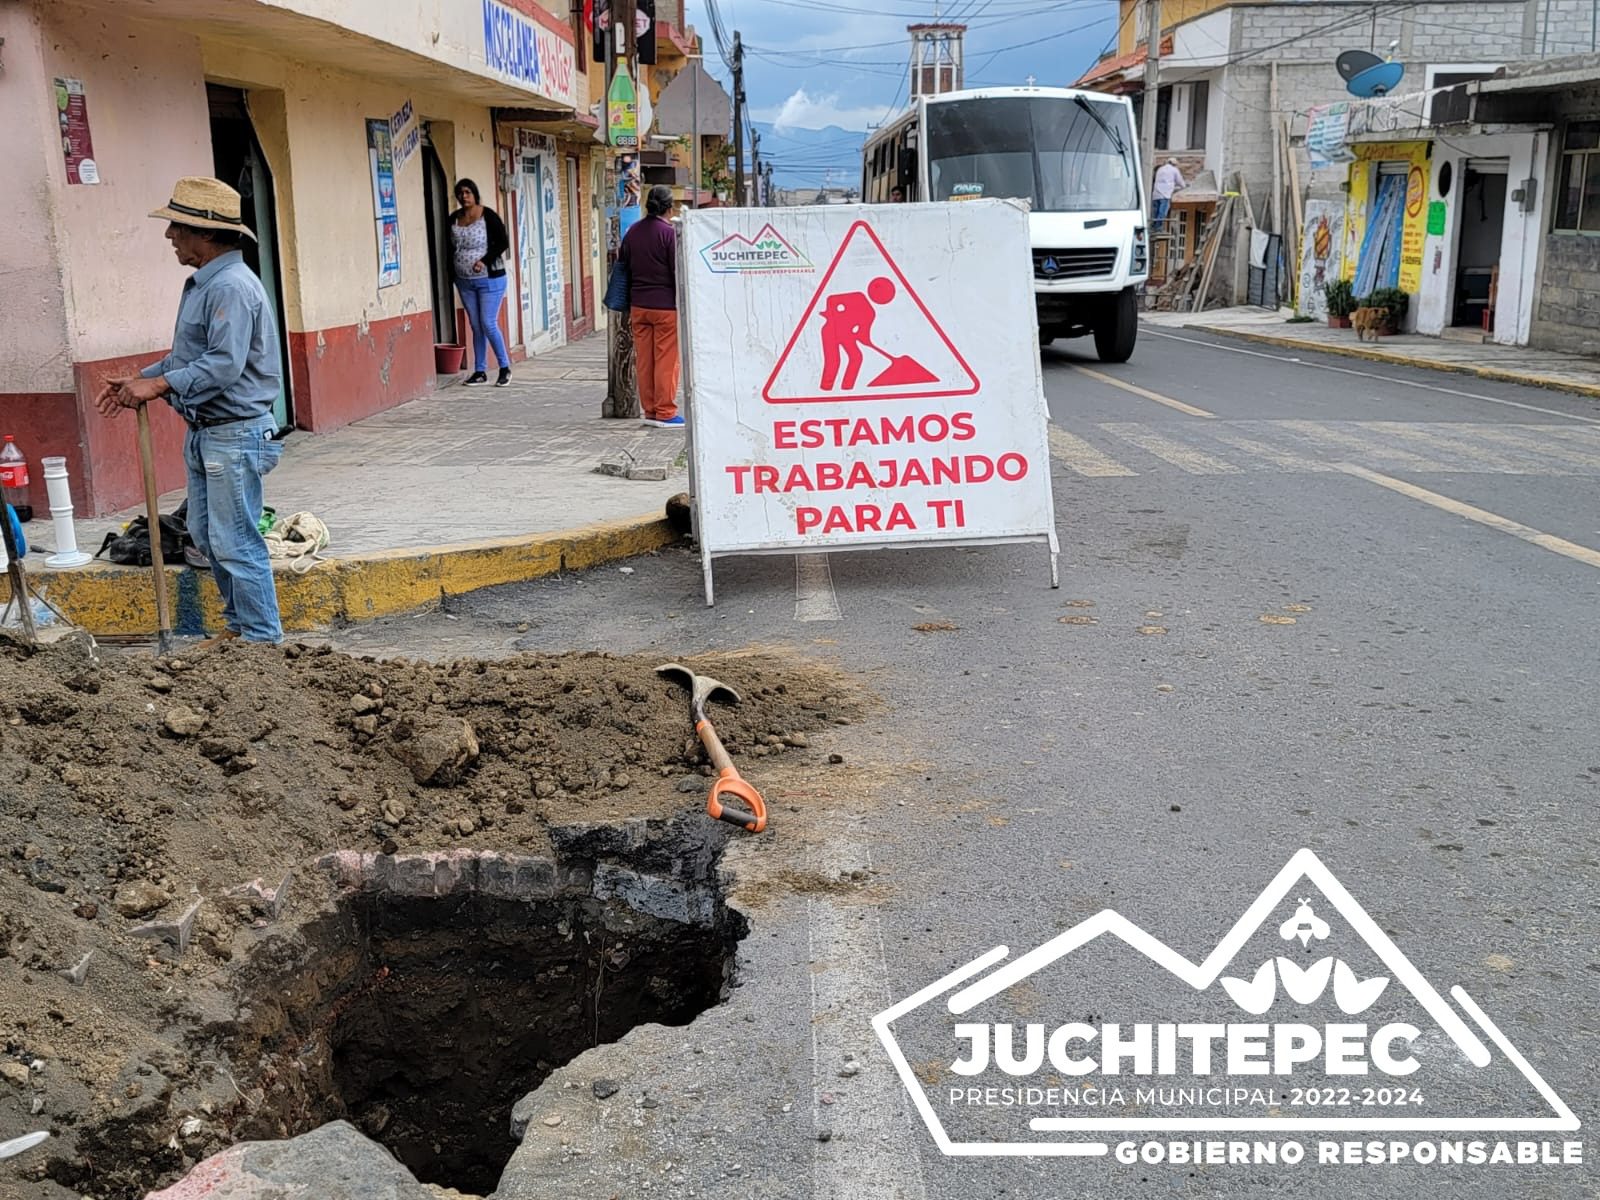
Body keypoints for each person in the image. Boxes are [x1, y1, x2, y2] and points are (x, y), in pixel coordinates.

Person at [94, 176, 284, 646]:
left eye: (177, 226)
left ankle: (262, 642)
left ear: (206, 233)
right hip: (210, 432)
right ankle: (241, 630)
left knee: (235, 541)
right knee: (207, 536)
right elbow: (188, 359)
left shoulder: (231, 287)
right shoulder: (207, 285)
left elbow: (222, 365)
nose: (170, 236)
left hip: (234, 434)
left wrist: (156, 384)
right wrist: (142, 380)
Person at [618, 185, 683, 427]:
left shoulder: (633, 231)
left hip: (638, 306)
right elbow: (676, 270)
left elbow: (624, 264)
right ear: (669, 207)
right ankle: (666, 412)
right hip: (665, 307)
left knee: (644, 360)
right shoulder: (669, 234)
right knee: (666, 360)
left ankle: (651, 411)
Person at [450, 178, 513, 387]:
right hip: (464, 281)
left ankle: (504, 368)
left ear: (475, 194)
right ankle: (480, 370)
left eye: (467, 192)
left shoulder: (488, 216)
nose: (464, 196)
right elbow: (448, 247)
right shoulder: (454, 218)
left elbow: (503, 242)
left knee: (488, 322)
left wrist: (483, 261)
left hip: (489, 279)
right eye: (460, 193)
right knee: (476, 325)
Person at [1152, 158, 1185, 228]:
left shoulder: (1160, 169)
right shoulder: (1174, 170)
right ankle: (1158, 227)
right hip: (1165, 194)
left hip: (1156, 194)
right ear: (1174, 164)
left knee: (1156, 212)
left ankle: (1154, 226)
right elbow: (1180, 181)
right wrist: (1185, 187)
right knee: (1162, 212)